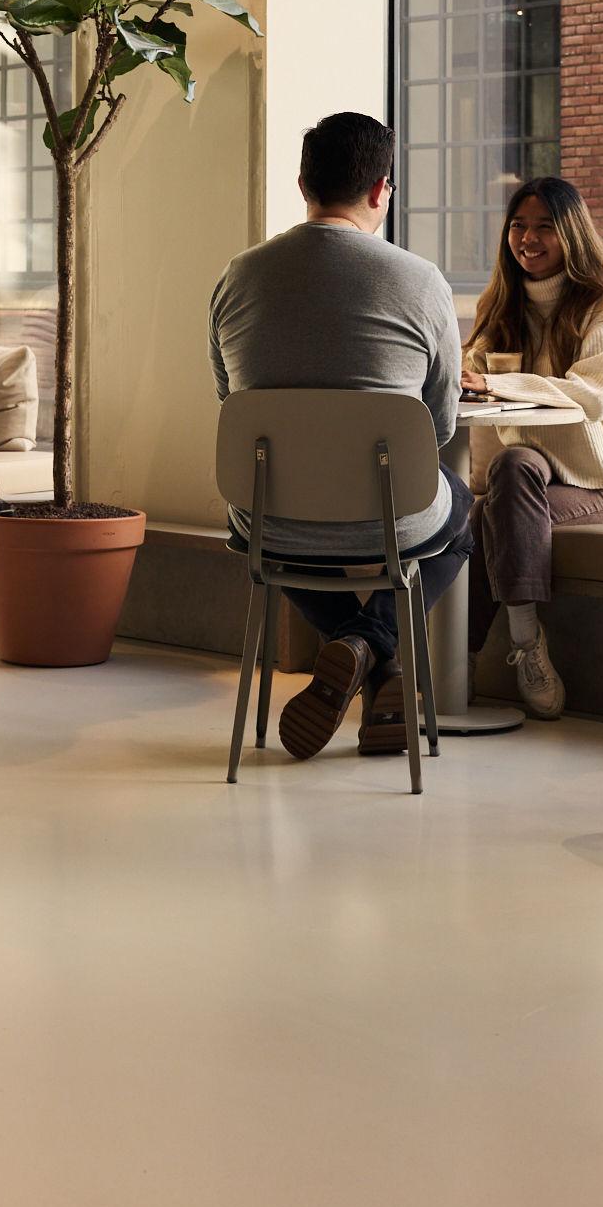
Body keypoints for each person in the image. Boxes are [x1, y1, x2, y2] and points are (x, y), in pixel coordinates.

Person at [208, 109, 470, 762]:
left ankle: (360, 648)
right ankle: (375, 648)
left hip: (273, 521)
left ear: (303, 183)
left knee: (251, 530)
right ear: (382, 189)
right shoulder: (422, 282)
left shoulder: (236, 278)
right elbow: (435, 430)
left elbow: (231, 406)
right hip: (391, 517)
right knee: (464, 512)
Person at [462, 177, 603, 720]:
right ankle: (510, 644)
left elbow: (591, 397)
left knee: (481, 516)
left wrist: (497, 384)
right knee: (513, 462)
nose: (529, 238)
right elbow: (472, 367)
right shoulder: (500, 300)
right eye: (519, 225)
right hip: (534, 474)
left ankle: (475, 658)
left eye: (545, 226)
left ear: (572, 233)